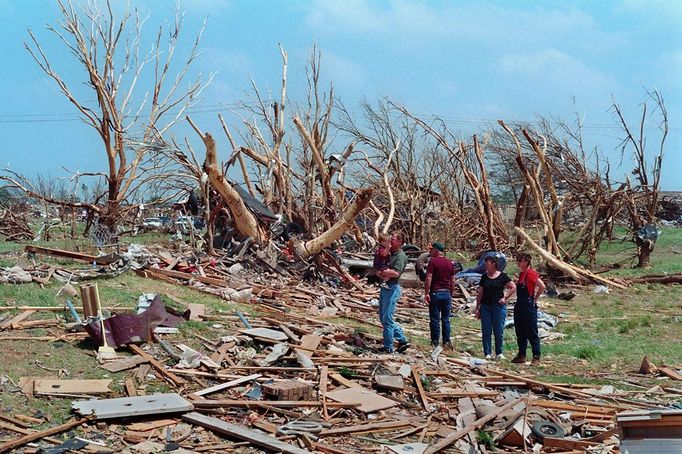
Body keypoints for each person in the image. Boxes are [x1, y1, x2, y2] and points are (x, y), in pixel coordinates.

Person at [376, 231, 411, 353]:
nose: (391, 240)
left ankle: (388, 347)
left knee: (387, 318)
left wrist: (382, 272)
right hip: (385, 287)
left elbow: (396, 272)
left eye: (394, 239)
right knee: (383, 317)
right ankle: (402, 339)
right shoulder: (390, 253)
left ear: (400, 242)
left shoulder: (401, 257)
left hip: (392, 288)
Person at [475, 255, 516, 360]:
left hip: (498, 307)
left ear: (493, 264)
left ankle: (499, 352)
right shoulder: (484, 277)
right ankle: (487, 353)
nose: (485, 265)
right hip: (485, 307)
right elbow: (480, 292)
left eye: (487, 263)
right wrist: (477, 307)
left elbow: (513, 287)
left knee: (498, 330)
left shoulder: (502, 276)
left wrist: (505, 297)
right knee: (486, 330)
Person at [511, 253, 546, 365]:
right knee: (520, 331)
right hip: (519, 305)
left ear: (527, 262)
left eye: (522, 260)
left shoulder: (531, 274)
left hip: (528, 305)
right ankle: (521, 355)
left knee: (531, 331)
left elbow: (542, 286)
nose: (519, 263)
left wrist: (535, 298)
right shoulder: (521, 274)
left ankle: (536, 356)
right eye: (518, 260)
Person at [424, 242, 456, 349]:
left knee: (435, 319)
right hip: (446, 293)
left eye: (431, 249)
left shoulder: (433, 262)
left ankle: (435, 341)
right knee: (446, 319)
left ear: (437, 250)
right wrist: (450, 293)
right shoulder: (449, 263)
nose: (430, 251)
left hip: (435, 293)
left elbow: (429, 277)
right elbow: (453, 280)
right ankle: (446, 341)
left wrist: (427, 292)